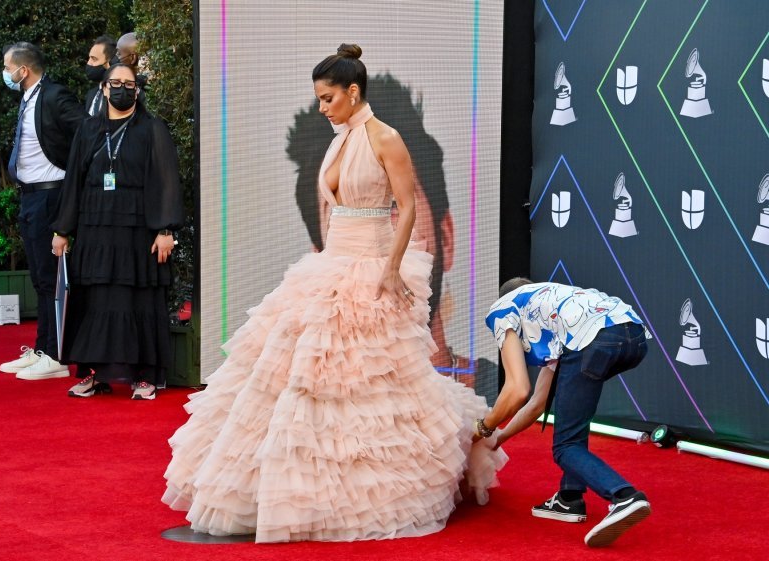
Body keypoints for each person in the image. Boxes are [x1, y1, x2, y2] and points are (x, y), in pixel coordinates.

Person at [162, 44, 507, 542]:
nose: (322, 108)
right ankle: (290, 490)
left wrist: (390, 267)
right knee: (296, 372)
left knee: (369, 383)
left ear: (352, 91)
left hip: (373, 266)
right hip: (329, 266)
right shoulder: (339, 140)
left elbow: (407, 207)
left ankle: (376, 491)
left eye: (327, 98)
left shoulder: (386, 138)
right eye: (319, 100)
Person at [287, 74, 499, 405]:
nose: (323, 107)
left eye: (392, 207)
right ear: (318, 253)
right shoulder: (309, 392)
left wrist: (392, 266)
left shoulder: (494, 390)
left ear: (446, 237)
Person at [481, 278, 651, 547]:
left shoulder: (503, 308)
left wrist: (483, 429)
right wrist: (499, 439)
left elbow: (517, 390)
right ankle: (570, 498)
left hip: (594, 340)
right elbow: (538, 402)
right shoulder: (555, 309)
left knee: (565, 446)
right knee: (573, 417)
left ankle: (625, 496)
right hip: (634, 337)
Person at [51, 63, 183, 400]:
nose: (122, 88)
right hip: (95, 228)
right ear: (104, 89)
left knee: (137, 298)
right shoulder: (88, 129)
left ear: (137, 89)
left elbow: (167, 180)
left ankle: (145, 376)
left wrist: (165, 229)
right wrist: (63, 230)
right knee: (95, 299)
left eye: (129, 83)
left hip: (138, 230)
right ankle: (95, 373)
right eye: (116, 83)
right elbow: (73, 183)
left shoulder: (153, 128)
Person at [0, 42, 85, 380]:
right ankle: (43, 347)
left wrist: (74, 178)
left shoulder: (53, 95)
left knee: (52, 278)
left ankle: (57, 355)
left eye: (7, 67)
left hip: (51, 196)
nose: (5, 74)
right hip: (30, 197)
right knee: (40, 278)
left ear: (24, 70)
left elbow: (86, 130)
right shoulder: (27, 98)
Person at [84, 35, 116, 117]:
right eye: (89, 58)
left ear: (109, 62)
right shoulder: (91, 94)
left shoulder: (119, 94)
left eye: (94, 59)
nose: (89, 63)